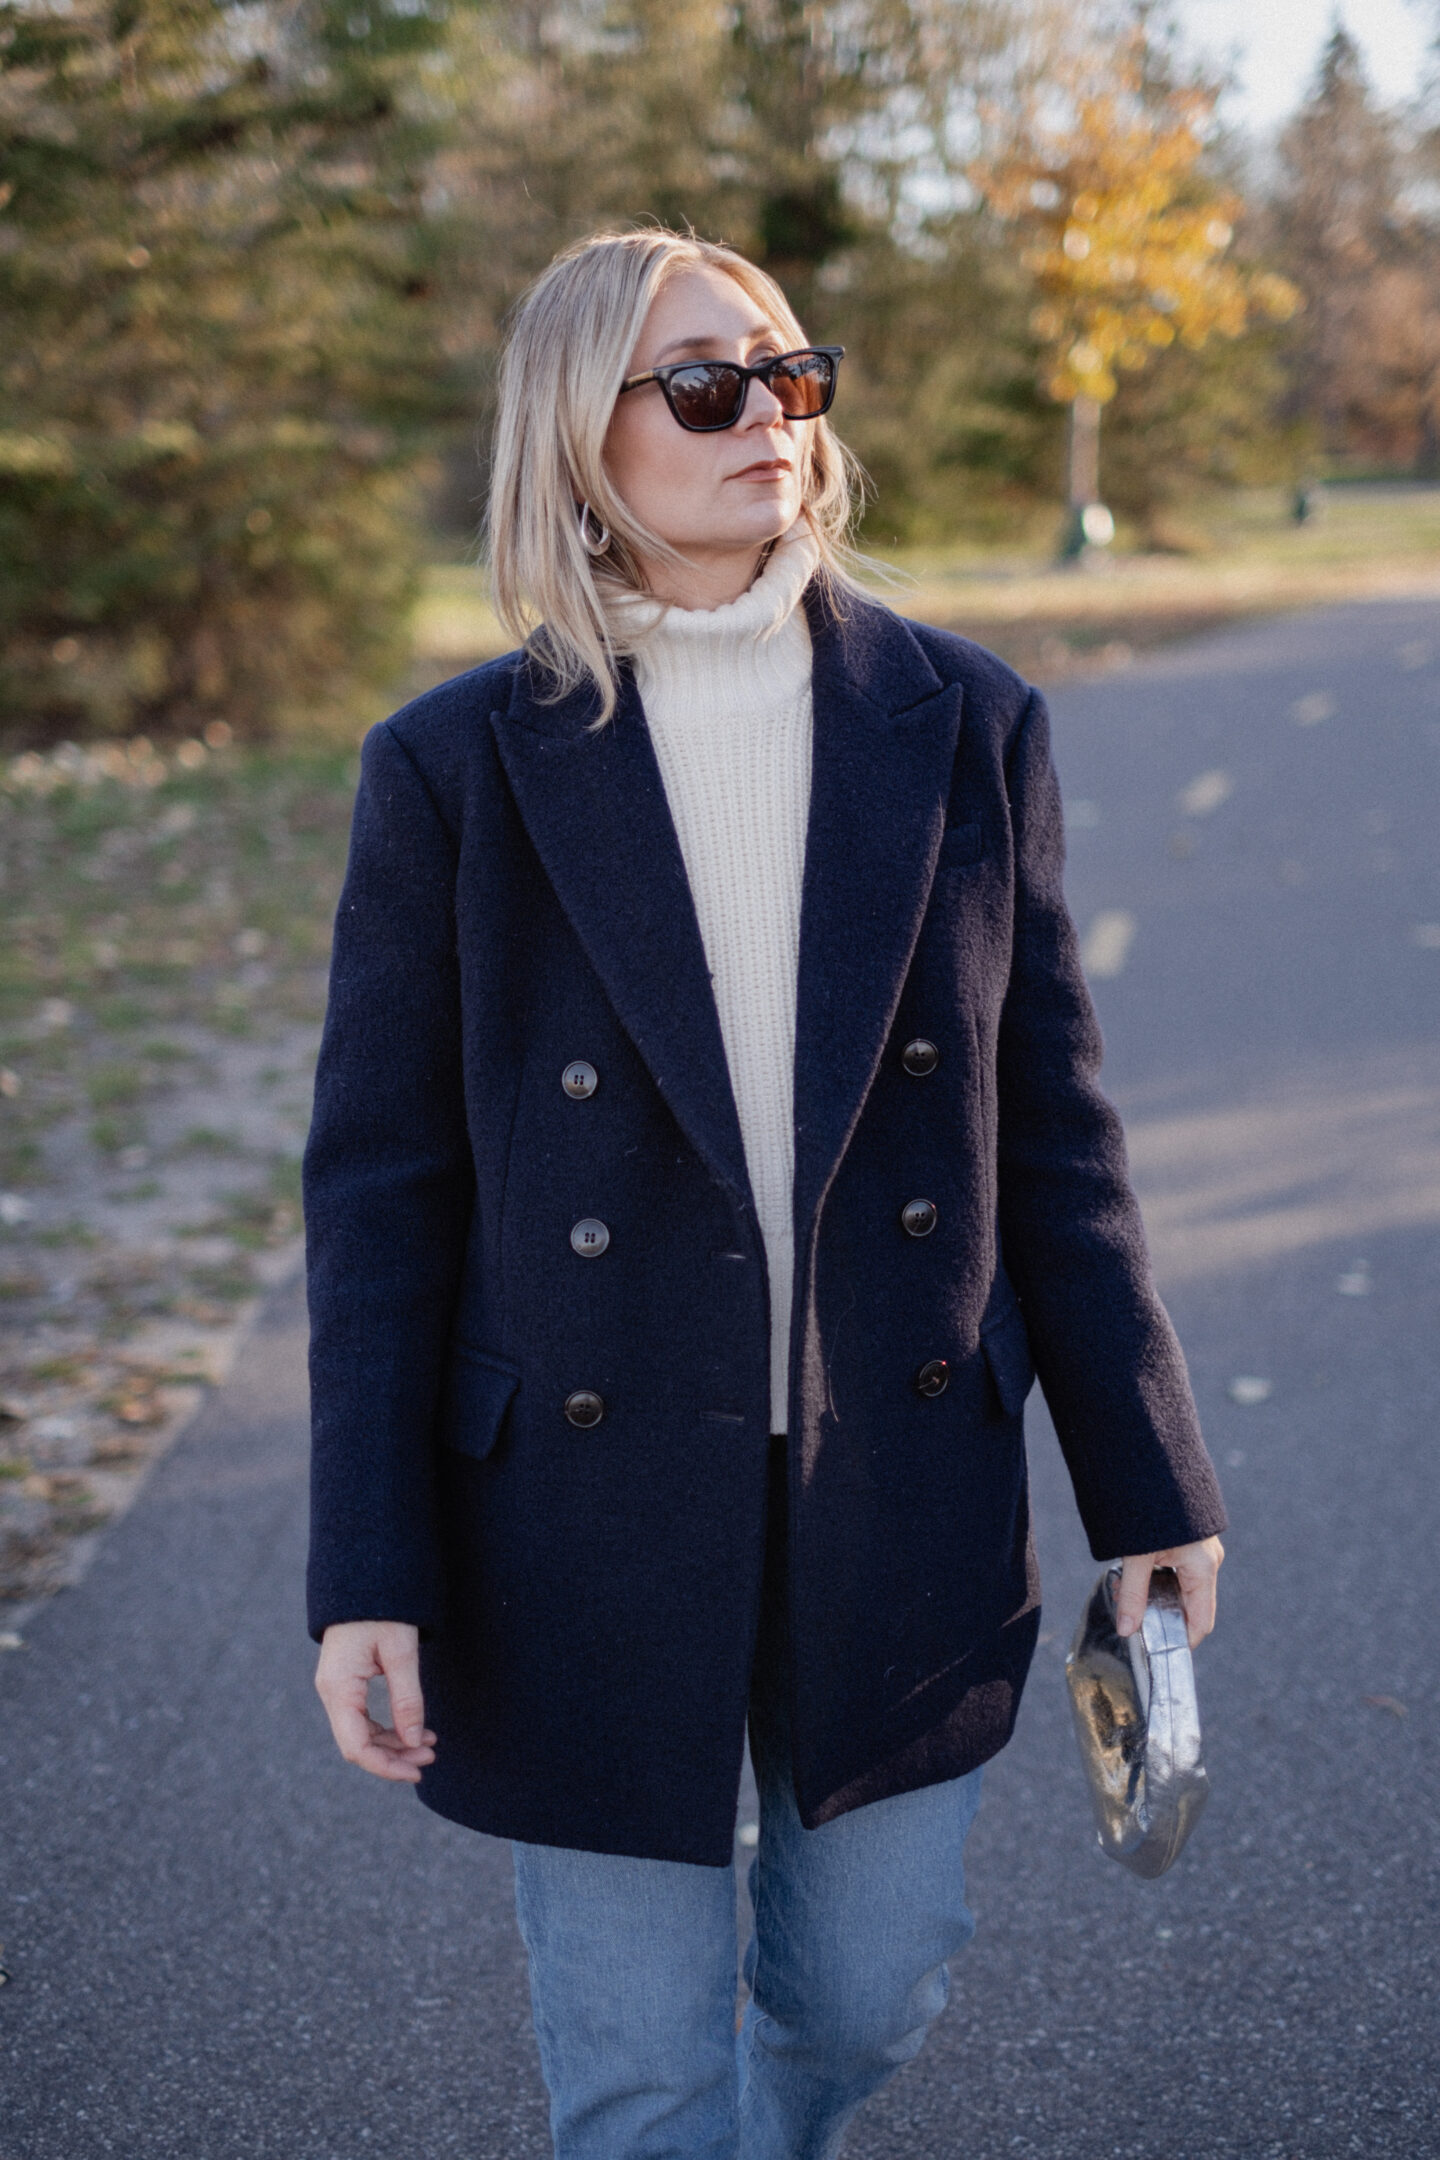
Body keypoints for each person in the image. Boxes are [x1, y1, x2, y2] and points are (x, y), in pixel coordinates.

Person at [305, 226, 1226, 2160]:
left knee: (867, 1985)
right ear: (579, 440)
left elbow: (1052, 1130)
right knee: (639, 2069)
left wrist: (1150, 1481)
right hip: (578, 1502)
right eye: (705, 387)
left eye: (789, 379)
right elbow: (381, 1197)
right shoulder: (455, 770)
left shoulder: (964, 723)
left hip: (893, 1484)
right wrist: (364, 1572)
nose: (767, 424)